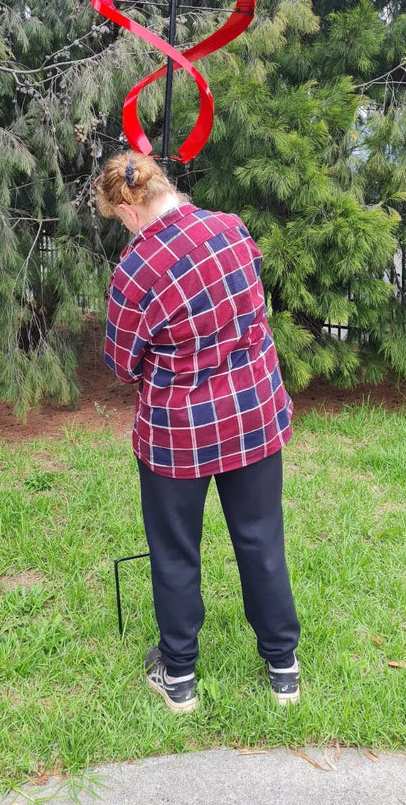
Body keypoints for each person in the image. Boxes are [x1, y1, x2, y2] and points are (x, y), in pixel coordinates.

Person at [94, 151, 300, 714]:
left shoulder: (136, 269)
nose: (123, 229)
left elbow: (120, 362)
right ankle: (284, 667)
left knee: (175, 551)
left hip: (176, 430)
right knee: (260, 540)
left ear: (130, 206)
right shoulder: (230, 230)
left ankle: (178, 675)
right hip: (250, 414)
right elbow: (252, 307)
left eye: (119, 218)